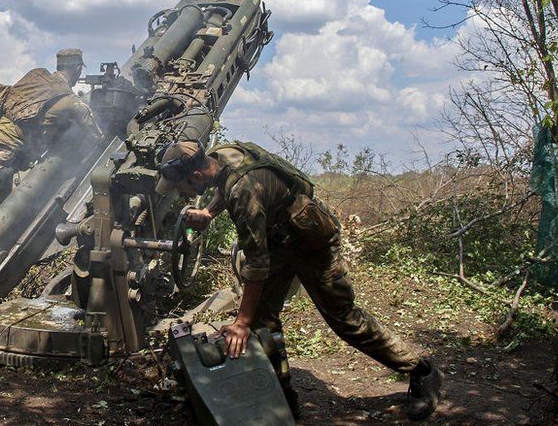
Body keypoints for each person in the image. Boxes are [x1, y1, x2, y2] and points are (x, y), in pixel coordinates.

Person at [155, 140, 443, 421]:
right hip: (280, 241)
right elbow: (224, 185)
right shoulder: (220, 156)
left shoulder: (244, 192)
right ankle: (281, 396)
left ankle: (422, 370)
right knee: (260, 322)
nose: (180, 194)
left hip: (312, 242)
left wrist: (239, 324)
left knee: (345, 320)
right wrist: (208, 212)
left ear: (195, 175)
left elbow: (256, 264)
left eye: (181, 187)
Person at [0, 48, 102, 213]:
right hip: (2, 148)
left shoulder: (37, 75)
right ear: (78, 68)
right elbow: (95, 133)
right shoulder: (71, 101)